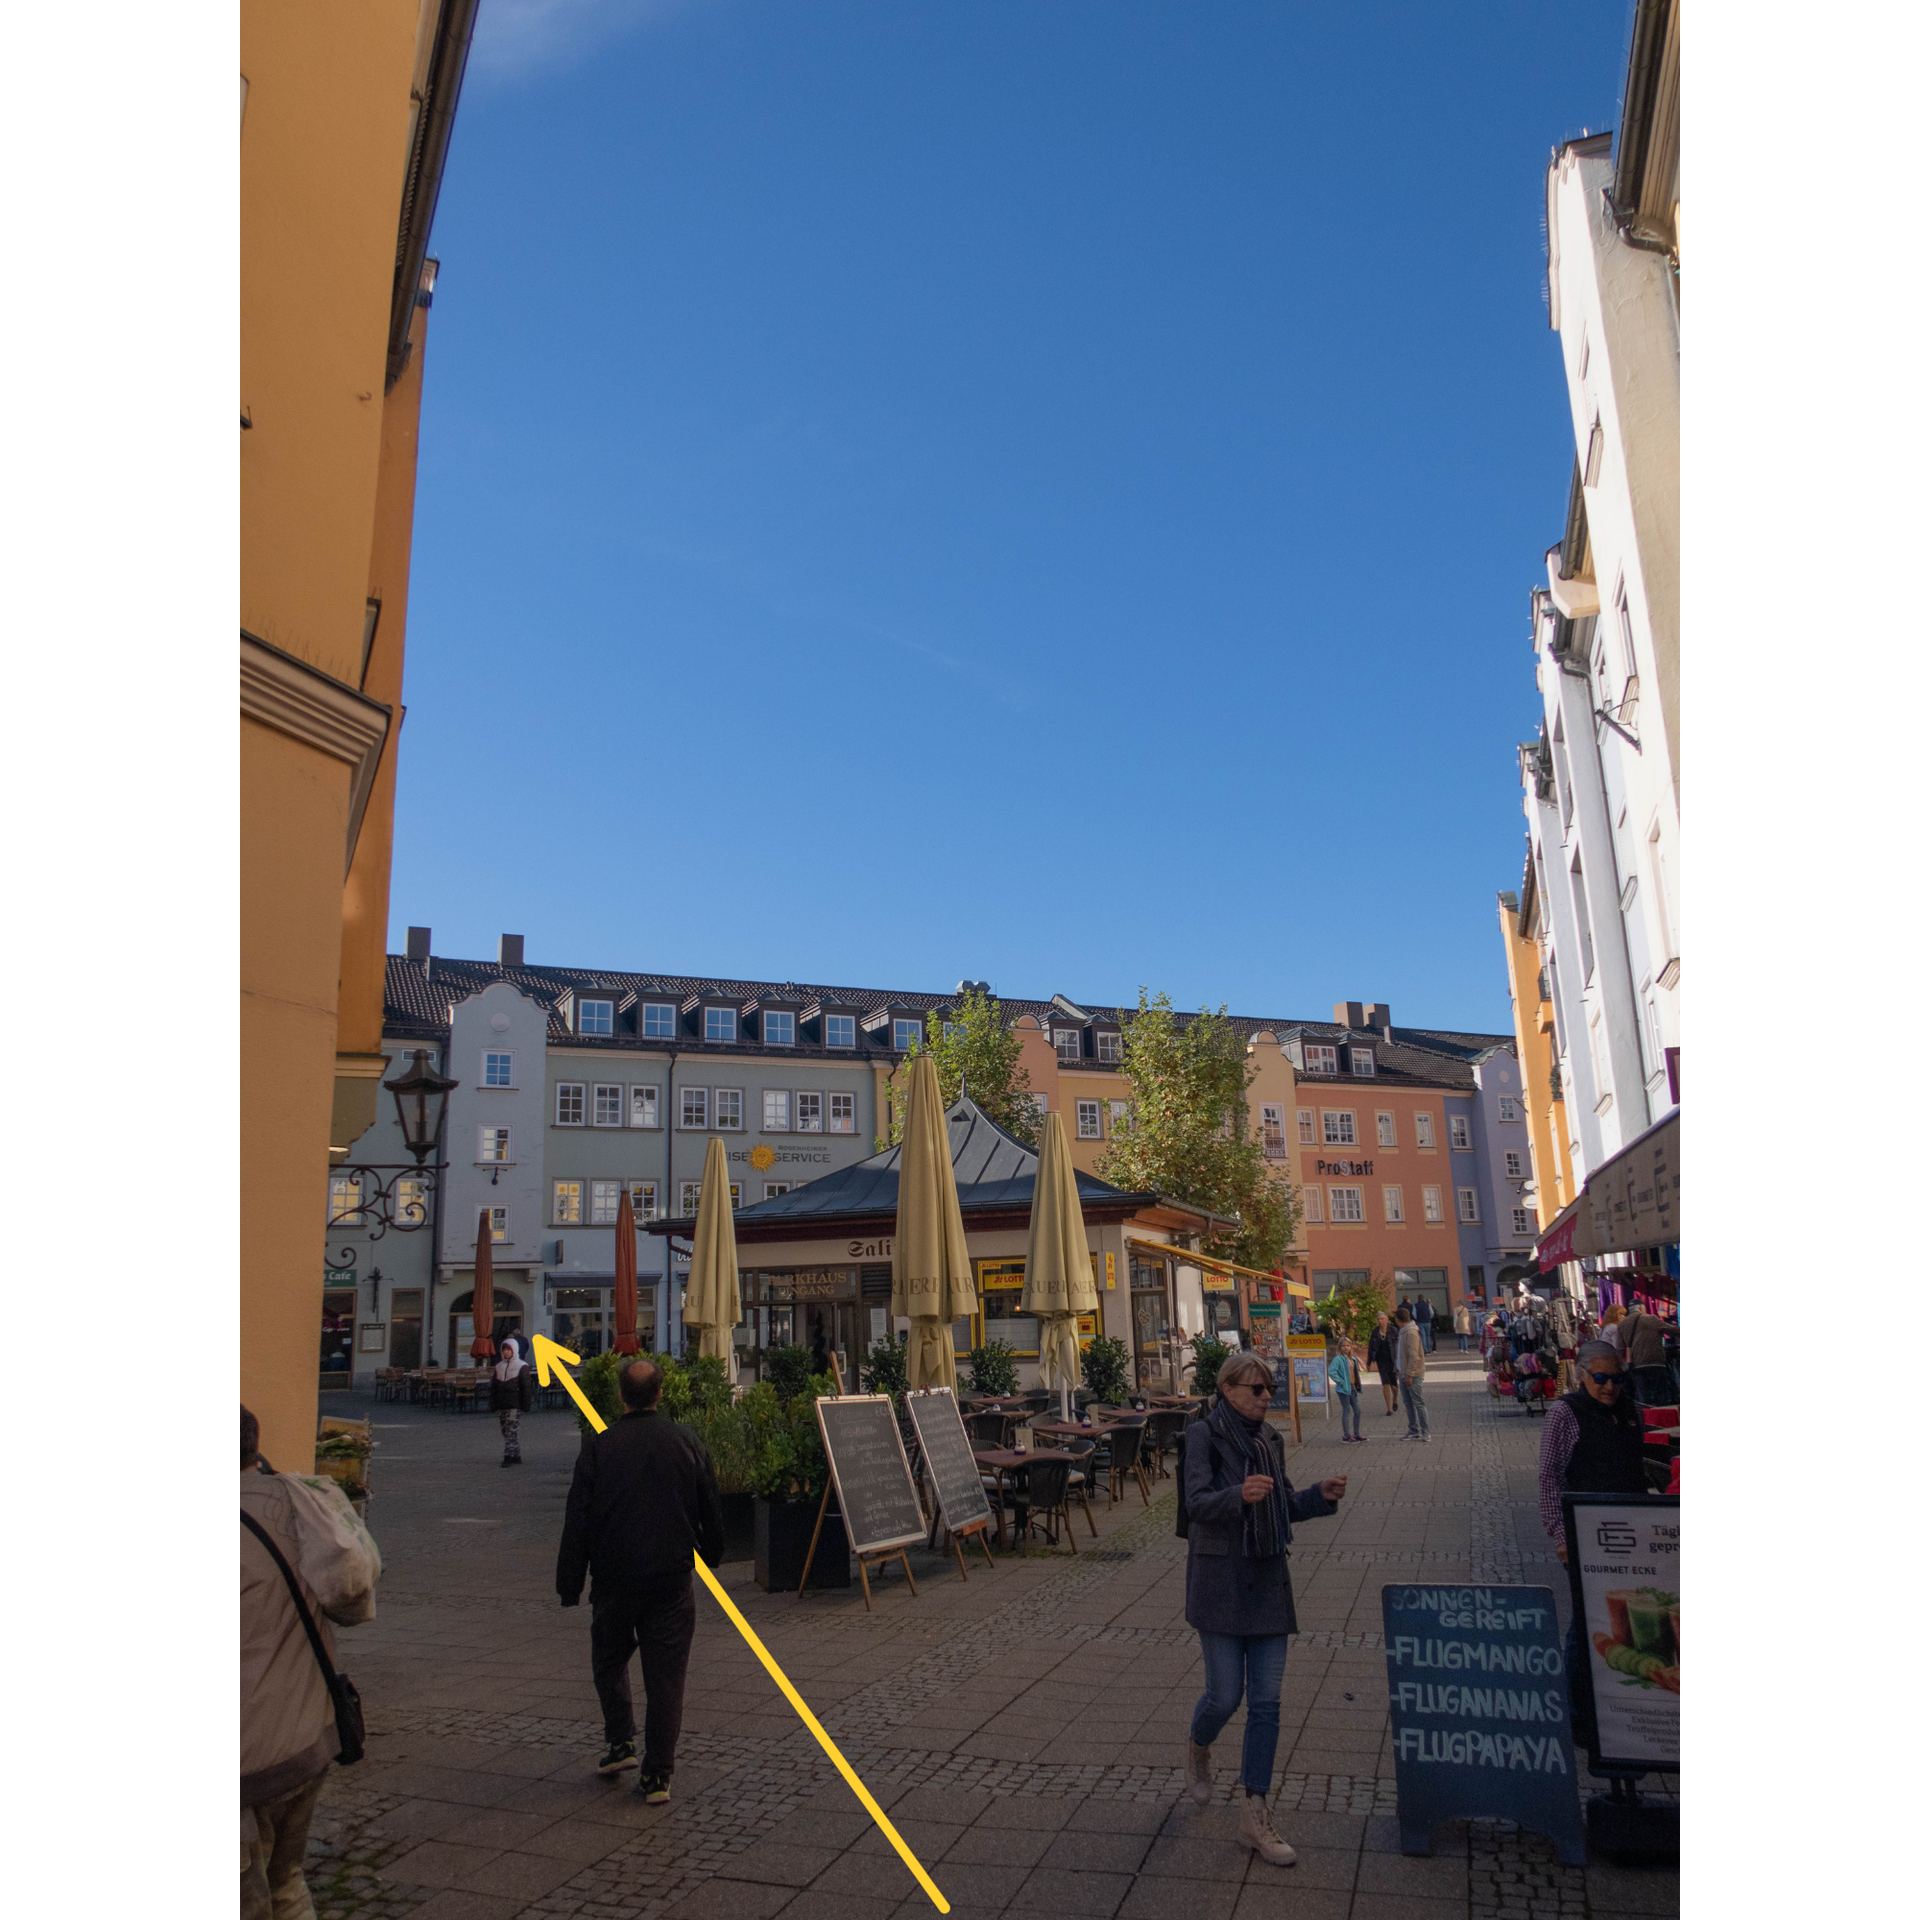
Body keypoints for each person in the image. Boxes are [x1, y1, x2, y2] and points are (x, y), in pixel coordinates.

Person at [1182, 1351, 1345, 1865]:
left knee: (1268, 1704)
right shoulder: (1202, 1436)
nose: (1264, 1397)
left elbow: (1284, 1503)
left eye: (1268, 1389)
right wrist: (1238, 1495)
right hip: (1221, 1582)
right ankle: (1198, 1745)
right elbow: (1195, 1504)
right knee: (1224, 1696)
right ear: (1228, 1389)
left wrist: (1319, 1496)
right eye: (1255, 1389)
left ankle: (1255, 1813)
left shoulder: (1270, 1440)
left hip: (1269, 1577)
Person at [557, 1358, 724, 1802]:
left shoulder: (599, 1448)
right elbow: (711, 1505)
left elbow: (578, 1520)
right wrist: (713, 1553)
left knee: (608, 1661)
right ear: (661, 1394)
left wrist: (569, 1583)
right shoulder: (685, 1441)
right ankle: (657, 1774)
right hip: (670, 1579)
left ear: (619, 1397)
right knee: (666, 1677)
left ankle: (620, 1740)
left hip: (614, 1578)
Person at [238, 1403, 340, 1920]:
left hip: (246, 1761)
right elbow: (349, 1597)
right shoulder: (301, 1502)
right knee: (286, 1882)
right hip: (306, 1739)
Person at [1536, 1342, 1647, 1751]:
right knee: (1585, 1623)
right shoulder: (1565, 1413)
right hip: (1585, 1533)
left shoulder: (1628, 1409)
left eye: (1616, 1378)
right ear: (1582, 1375)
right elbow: (1549, 1477)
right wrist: (1560, 1535)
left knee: (1626, 1618)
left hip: (1631, 1534)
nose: (1609, 1386)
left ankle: (1623, 1702)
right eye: (1600, 1378)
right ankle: (1578, 1714)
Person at [1618, 1301, 1677, 1405]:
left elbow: (1619, 1348)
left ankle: (1647, 1419)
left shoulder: (1622, 1325)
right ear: (1641, 1308)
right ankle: (1661, 1418)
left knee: (1644, 1399)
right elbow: (1672, 1330)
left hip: (1637, 1366)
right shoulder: (1651, 1319)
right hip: (1655, 1363)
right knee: (1661, 1398)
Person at [492, 1333, 534, 1466]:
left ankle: (508, 1456)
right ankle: (516, 1454)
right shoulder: (499, 1367)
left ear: (514, 1350)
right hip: (502, 1403)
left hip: (514, 1403)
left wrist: (526, 1405)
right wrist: (493, 1404)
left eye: (508, 1349)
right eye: (504, 1349)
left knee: (511, 1429)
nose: (506, 1352)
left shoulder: (522, 1366)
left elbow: (526, 1387)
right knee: (505, 1430)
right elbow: (494, 1387)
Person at [1395, 1307, 1429, 1441]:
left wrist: (1409, 1375)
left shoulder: (1410, 1333)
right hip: (1403, 1373)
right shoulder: (1403, 1332)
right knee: (1408, 1403)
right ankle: (1413, 1429)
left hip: (1412, 1374)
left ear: (1398, 1319)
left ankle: (1425, 1431)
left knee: (1418, 1403)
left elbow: (1414, 1356)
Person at [1329, 1340, 1365, 1442]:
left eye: (1348, 1345)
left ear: (1351, 1347)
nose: (1346, 1347)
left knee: (1357, 1411)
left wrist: (1357, 1384)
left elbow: (1355, 1373)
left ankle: (1356, 1433)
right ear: (1339, 1347)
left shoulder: (1353, 1359)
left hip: (1352, 1387)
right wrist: (1341, 1382)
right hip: (1343, 1389)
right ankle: (1346, 1435)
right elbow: (1332, 1372)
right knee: (1346, 1411)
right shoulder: (1338, 1359)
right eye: (1343, 1346)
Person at [1366, 1311, 1399, 1416]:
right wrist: (1369, 1361)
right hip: (1381, 1360)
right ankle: (1389, 1409)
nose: (1380, 1321)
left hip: (1392, 1360)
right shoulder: (1375, 1332)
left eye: (1382, 1319)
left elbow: (1398, 1345)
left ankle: (1395, 1399)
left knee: (1394, 1385)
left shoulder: (1393, 1330)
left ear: (1387, 1320)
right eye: (1379, 1319)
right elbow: (1371, 1347)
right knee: (1385, 1383)